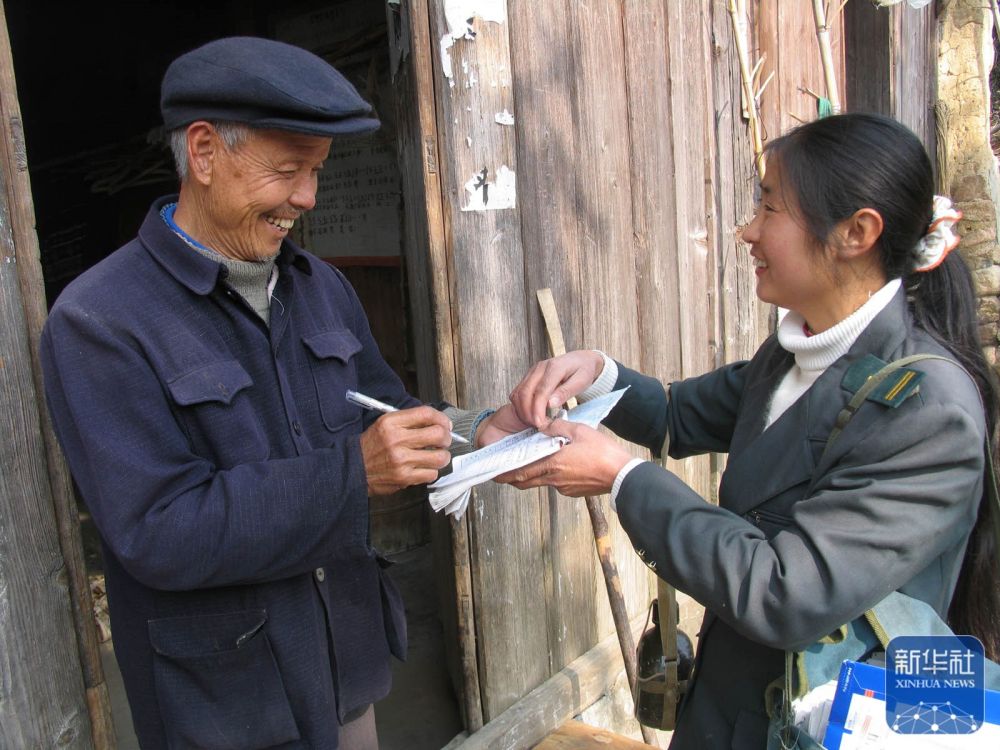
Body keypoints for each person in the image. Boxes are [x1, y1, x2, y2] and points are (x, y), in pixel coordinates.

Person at [40, 37, 522, 749]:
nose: (308, 198)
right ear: (203, 153)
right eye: (289, 171)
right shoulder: (98, 323)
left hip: (343, 665)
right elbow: (158, 530)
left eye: (317, 172)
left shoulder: (316, 285)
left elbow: (389, 412)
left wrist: (480, 429)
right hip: (227, 703)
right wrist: (351, 474)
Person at [498, 113, 1000, 749]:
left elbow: (786, 591)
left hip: (837, 724)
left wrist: (620, 477)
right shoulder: (798, 351)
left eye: (769, 208)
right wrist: (597, 373)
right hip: (736, 707)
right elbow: (678, 414)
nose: (747, 231)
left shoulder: (928, 412)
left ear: (856, 232)